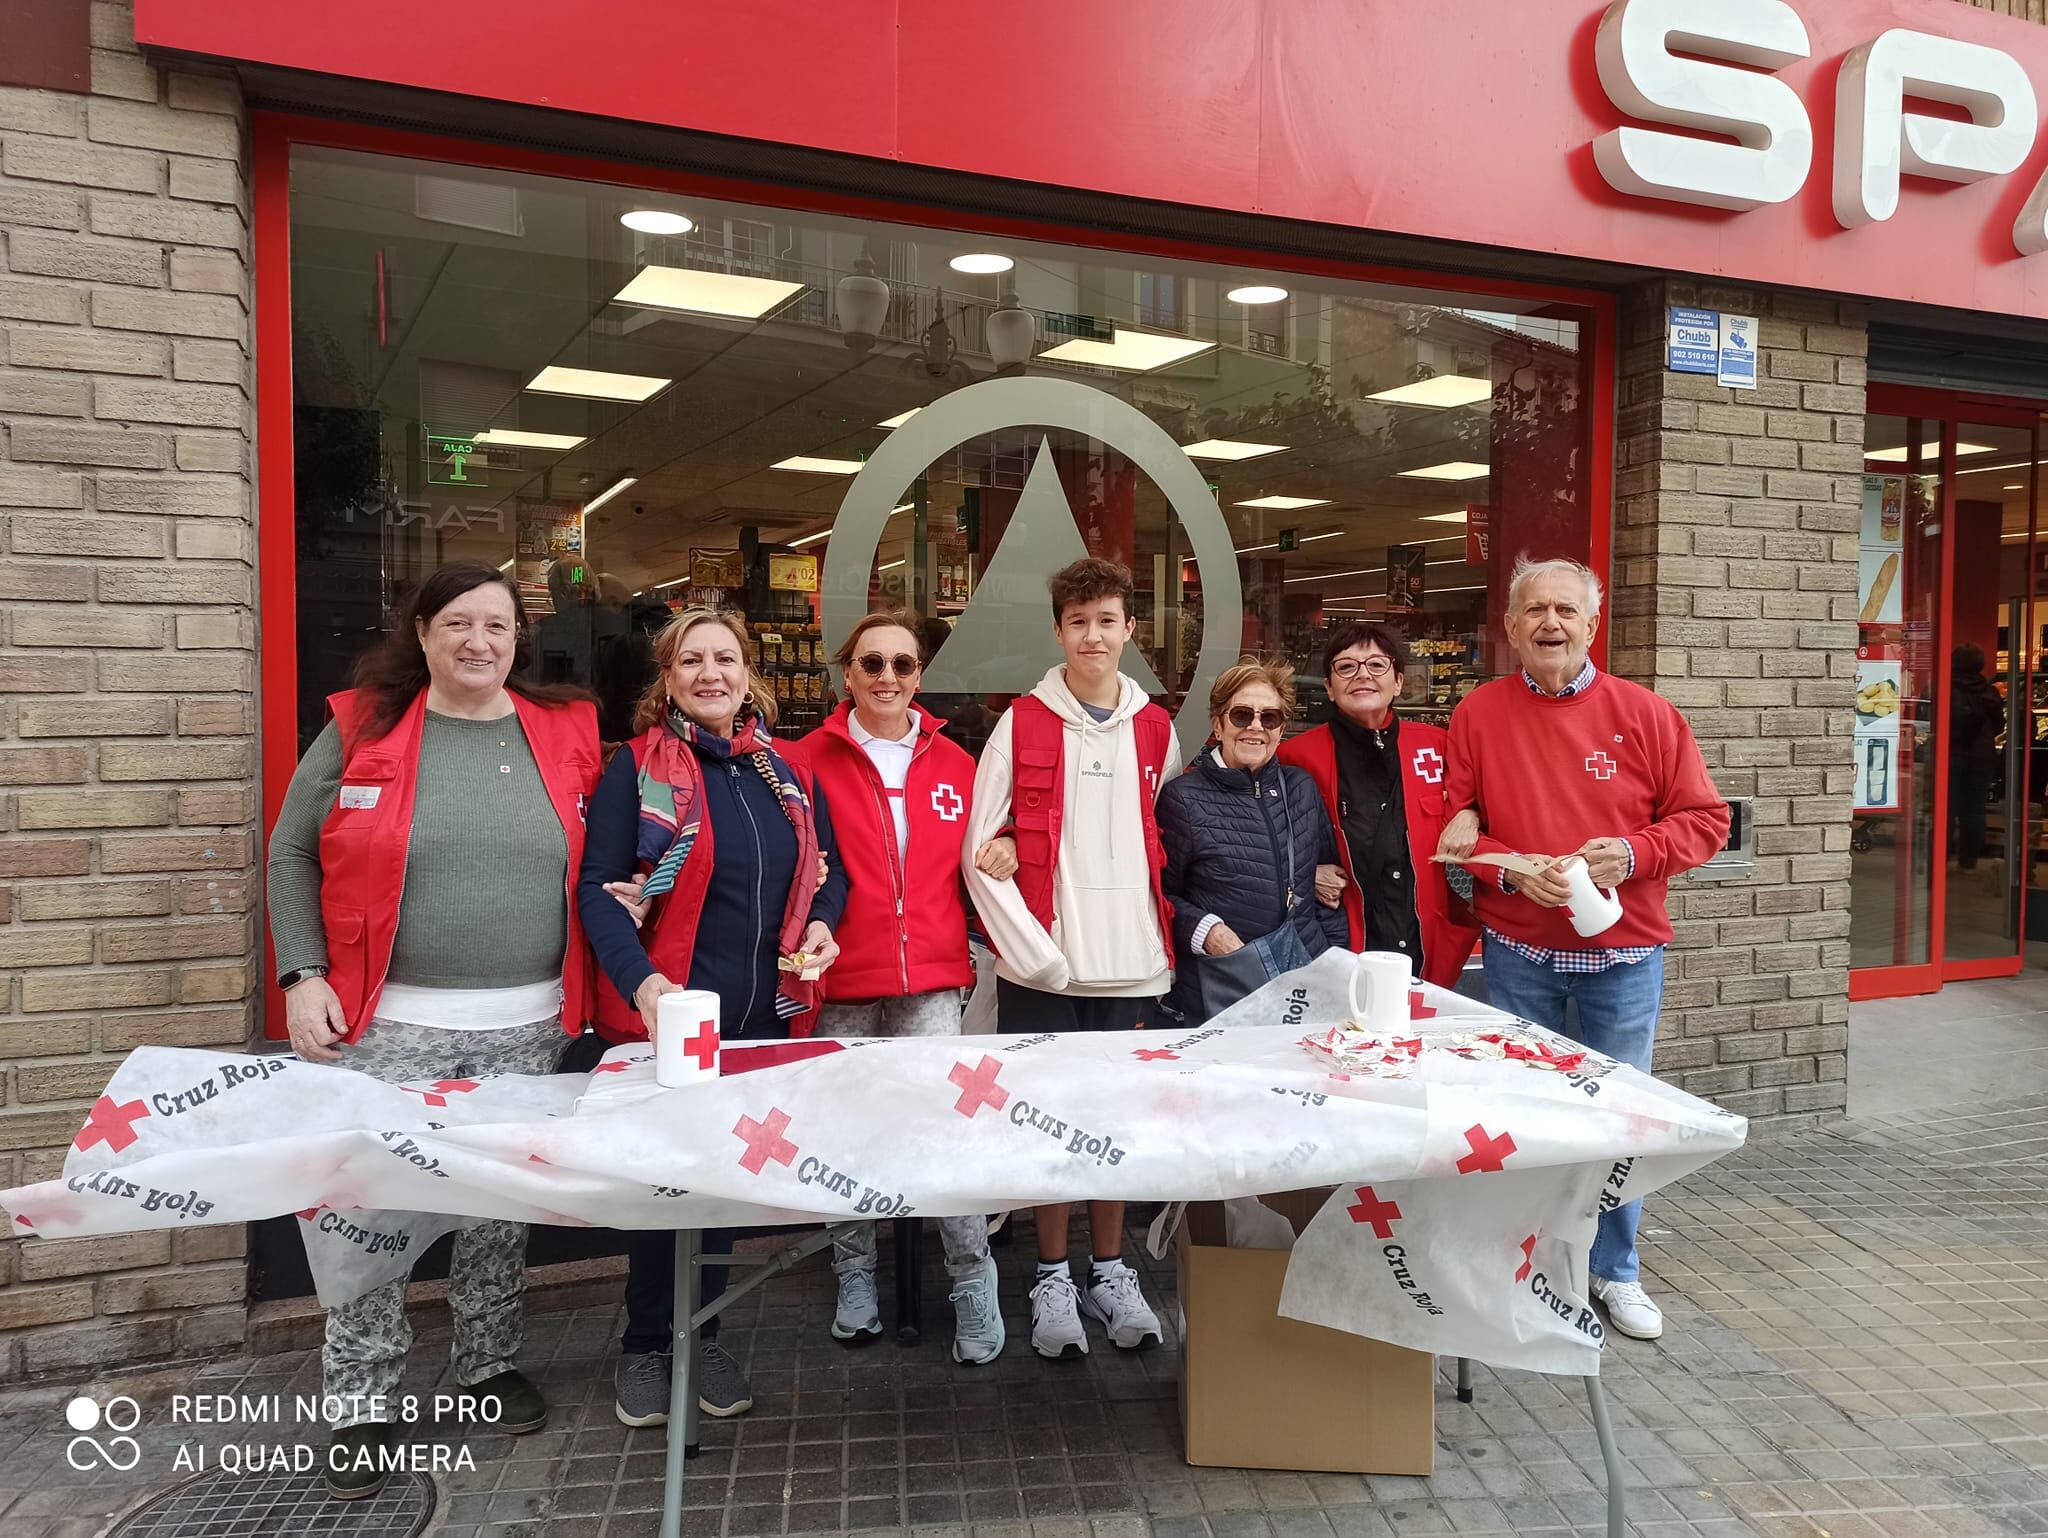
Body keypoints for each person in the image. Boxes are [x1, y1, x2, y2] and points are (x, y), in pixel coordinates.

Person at [265, 561, 602, 1499]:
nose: (477, 643)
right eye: (457, 623)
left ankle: (486, 1365)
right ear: (421, 633)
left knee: (498, 1209)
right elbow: (291, 850)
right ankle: (362, 1401)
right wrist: (303, 976)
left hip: (528, 1021)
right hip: (389, 1023)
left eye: (496, 626)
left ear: (518, 639)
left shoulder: (566, 731)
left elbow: (614, 848)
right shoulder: (364, 724)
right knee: (370, 1208)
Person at [1436, 556, 1729, 1343]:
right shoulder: (1479, 713)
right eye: (1535, 611)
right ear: (1510, 628)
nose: (1550, 624)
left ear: (1593, 626)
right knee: (1521, 1112)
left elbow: (1707, 820)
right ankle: (1525, 1261)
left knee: (1618, 1119)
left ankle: (1615, 1270)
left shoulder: (1649, 714)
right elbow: (1456, 822)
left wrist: (1633, 855)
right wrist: (1506, 867)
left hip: (1624, 956)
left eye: (1566, 611)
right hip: (1519, 952)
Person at [576, 609, 847, 1429]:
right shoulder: (637, 771)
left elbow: (826, 875)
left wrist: (825, 927)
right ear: (667, 677)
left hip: (766, 1013)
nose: (709, 674)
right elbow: (598, 888)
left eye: (724, 658)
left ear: (747, 672)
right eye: (690, 660)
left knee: (728, 1181)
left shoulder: (785, 772)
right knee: (669, 1185)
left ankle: (709, 1332)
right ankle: (650, 1344)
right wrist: (644, 985)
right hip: (678, 1013)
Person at [962, 557, 1181, 1360]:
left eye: (1108, 620)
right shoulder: (1020, 723)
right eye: (1079, 621)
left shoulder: (1157, 727)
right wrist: (1036, 957)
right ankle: (1051, 1276)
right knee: (1050, 1125)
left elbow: (1168, 837)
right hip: (1047, 970)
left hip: (1135, 968)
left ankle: (1110, 1270)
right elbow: (977, 850)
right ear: (1059, 631)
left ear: (1130, 629)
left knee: (1114, 1125)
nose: (1095, 634)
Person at [783, 610, 1003, 1364]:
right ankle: (854, 1271)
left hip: (933, 976)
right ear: (847, 674)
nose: (886, 678)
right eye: (871, 664)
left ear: (919, 676)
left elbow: (985, 859)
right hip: (839, 976)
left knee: (945, 1133)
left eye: (902, 665)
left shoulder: (957, 765)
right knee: (846, 1133)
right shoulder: (804, 760)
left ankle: (973, 1278)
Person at [1279, 623, 1482, 987]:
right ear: (1328, 686)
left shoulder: (1437, 746)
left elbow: (1485, 800)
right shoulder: (1297, 756)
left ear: (1399, 682)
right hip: (1341, 940)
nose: (1362, 676)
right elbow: (1259, 835)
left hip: (1424, 936)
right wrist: (1305, 875)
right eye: (1346, 667)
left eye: (1376, 665)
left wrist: (1469, 813)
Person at [1157, 659, 1349, 1022]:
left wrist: (1334, 959)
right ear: (1218, 724)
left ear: (1281, 729)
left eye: (1270, 718)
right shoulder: (1182, 798)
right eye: (1242, 715)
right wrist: (1207, 931)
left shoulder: (1301, 789)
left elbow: (1328, 887)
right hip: (1224, 979)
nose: (1256, 728)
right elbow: (1160, 895)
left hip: (1303, 981)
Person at [1948, 643, 2004, 870]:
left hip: (1950, 753)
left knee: (1946, 806)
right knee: (1974, 808)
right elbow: (2000, 724)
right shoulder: (1989, 692)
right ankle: (1969, 858)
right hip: (1981, 756)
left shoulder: (1943, 687)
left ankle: (1941, 854)